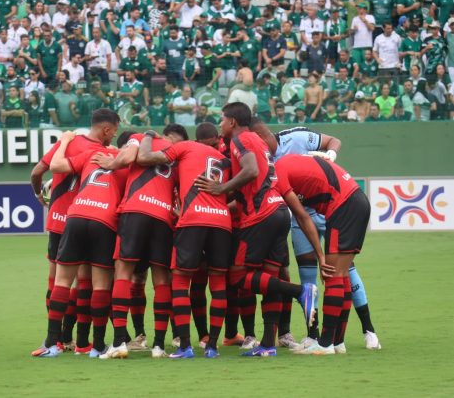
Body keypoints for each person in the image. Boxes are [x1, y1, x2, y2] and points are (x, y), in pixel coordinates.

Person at [194, 102, 319, 357]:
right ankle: (268, 345)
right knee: (270, 281)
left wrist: (221, 188)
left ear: (232, 122)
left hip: (261, 216)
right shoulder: (258, 142)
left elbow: (251, 171)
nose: (220, 124)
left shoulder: (241, 139)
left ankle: (300, 292)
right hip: (278, 212)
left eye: (222, 119)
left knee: (238, 278)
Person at [90, 124, 189, 359]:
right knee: (162, 279)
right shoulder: (176, 154)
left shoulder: (140, 138)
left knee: (123, 272)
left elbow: (127, 158)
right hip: (164, 216)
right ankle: (159, 346)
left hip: (135, 210)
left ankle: (119, 343)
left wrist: (111, 163)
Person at [136, 125, 234, 359]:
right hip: (222, 222)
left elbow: (144, 157)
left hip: (192, 220)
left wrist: (148, 135)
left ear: (195, 139)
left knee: (180, 281)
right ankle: (212, 347)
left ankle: (185, 347)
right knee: (218, 283)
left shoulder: (185, 147)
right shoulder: (224, 160)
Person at [30, 109, 120, 358]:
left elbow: (38, 171)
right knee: (90, 284)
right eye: (114, 131)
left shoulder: (74, 145)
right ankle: (87, 343)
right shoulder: (112, 155)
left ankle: (56, 341)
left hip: (67, 218)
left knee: (57, 282)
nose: (114, 135)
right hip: (99, 219)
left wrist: (39, 195)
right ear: (106, 129)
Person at [274, 153, 373, 354]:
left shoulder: (278, 174)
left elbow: (302, 217)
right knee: (341, 275)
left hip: (343, 206)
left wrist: (320, 255)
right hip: (358, 200)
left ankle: (325, 344)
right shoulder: (290, 163)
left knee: (333, 275)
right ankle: (337, 342)